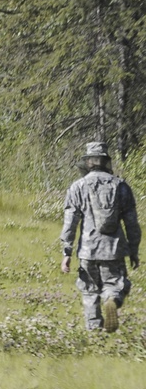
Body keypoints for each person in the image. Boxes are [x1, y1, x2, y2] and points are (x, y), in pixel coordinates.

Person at [61, 142, 141, 332]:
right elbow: (132, 223)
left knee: (89, 292)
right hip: (114, 250)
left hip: (88, 251)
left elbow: (70, 222)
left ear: (88, 162)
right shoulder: (121, 186)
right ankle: (112, 299)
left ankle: (95, 334)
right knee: (116, 284)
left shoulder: (77, 186)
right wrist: (134, 251)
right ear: (106, 161)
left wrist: (66, 252)